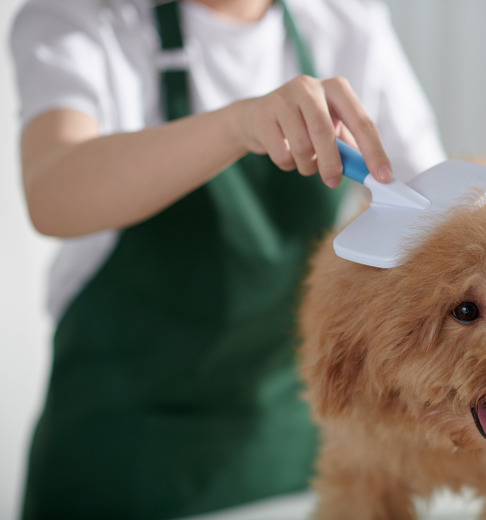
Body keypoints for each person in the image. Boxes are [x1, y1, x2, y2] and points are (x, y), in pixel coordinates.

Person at [9, 0, 445, 517]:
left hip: (287, 449)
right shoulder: (83, 20)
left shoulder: (342, 19)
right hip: (121, 460)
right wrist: (237, 126)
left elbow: (435, 203)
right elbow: (54, 193)